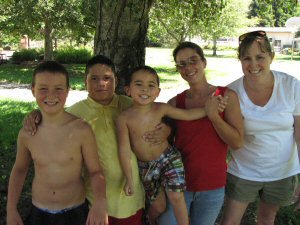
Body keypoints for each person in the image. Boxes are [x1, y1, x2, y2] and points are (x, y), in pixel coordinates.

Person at [23, 55, 170, 225]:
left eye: (107, 78)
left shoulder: (132, 105)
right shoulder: (75, 114)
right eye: (94, 78)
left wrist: (167, 129)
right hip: (95, 201)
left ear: (116, 80)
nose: (101, 83)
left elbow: (162, 117)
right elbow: (50, 118)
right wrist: (34, 115)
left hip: (132, 197)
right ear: (85, 82)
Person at [117, 65, 228, 225]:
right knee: (159, 206)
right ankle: (149, 220)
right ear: (128, 90)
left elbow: (188, 115)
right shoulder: (124, 118)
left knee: (176, 196)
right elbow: (124, 150)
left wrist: (210, 110)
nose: (145, 89)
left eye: (151, 85)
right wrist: (129, 179)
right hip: (146, 167)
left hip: (169, 159)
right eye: (139, 84)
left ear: (158, 92)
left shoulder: (161, 108)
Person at [6, 61, 108, 225]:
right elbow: (19, 169)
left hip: (75, 211)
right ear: (33, 90)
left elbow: (95, 171)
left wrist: (100, 202)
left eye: (58, 89)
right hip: (39, 211)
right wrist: (11, 208)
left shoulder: (82, 130)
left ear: (67, 91)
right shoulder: (27, 133)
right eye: (43, 89)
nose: (51, 95)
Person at [158, 41, 244, 225]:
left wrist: (214, 116)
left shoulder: (226, 96)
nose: (188, 67)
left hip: (212, 185)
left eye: (193, 60)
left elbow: (237, 142)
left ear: (204, 62)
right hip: (178, 185)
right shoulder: (175, 103)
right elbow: (167, 143)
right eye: (181, 64)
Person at [220, 30, 300, 225]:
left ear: (272, 57)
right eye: (246, 58)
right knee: (229, 221)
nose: (253, 65)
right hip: (243, 171)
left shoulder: (291, 86)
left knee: (266, 219)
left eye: (260, 57)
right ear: (239, 60)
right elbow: (229, 136)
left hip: (282, 172)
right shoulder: (232, 92)